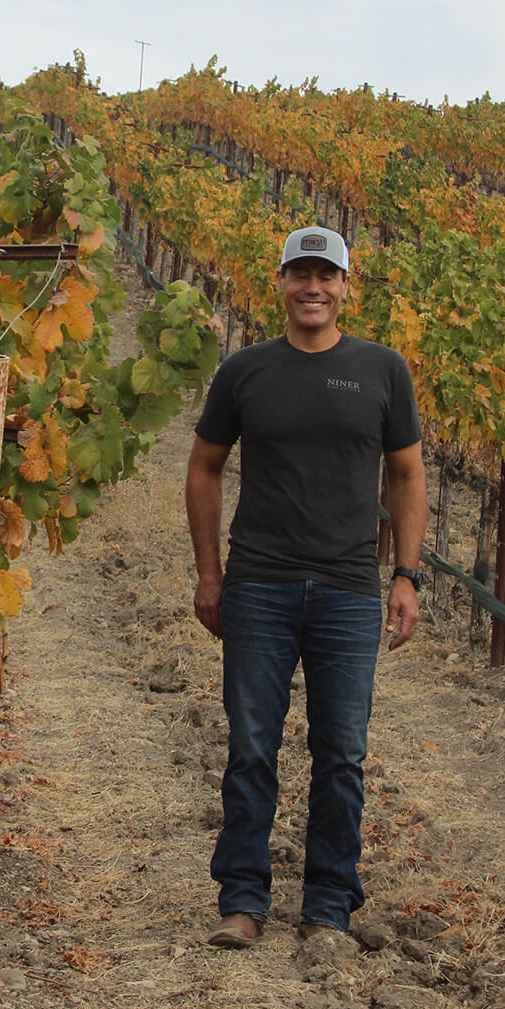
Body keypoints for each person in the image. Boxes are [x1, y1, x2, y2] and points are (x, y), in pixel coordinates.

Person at [184, 225, 427, 950]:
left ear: (346, 287)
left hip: (350, 591)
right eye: (300, 273)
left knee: (341, 752)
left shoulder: (384, 370)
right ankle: (243, 899)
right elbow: (203, 466)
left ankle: (328, 906)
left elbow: (408, 475)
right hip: (259, 585)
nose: (312, 287)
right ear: (281, 282)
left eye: (326, 274)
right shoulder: (245, 371)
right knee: (252, 745)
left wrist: (406, 575)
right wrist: (208, 571)